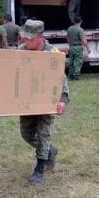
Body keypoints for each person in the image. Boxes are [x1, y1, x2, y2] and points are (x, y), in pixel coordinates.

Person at [18, 20, 69, 185]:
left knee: (43, 133)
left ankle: (39, 170)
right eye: (25, 37)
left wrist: (63, 99)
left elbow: (61, 78)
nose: (26, 41)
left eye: (30, 38)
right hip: (27, 100)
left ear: (40, 36)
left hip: (48, 99)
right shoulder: (21, 51)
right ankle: (49, 151)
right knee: (26, 134)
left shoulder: (52, 53)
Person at [66, 16, 91, 80]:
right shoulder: (80, 30)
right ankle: (76, 75)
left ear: (74, 21)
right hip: (78, 47)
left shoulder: (69, 29)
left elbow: (68, 38)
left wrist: (70, 45)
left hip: (71, 47)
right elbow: (83, 40)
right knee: (78, 61)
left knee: (71, 61)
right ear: (81, 21)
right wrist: (88, 48)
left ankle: (71, 75)